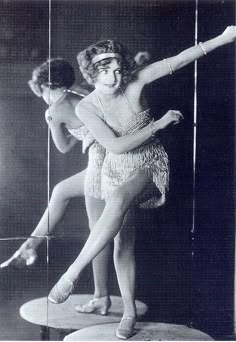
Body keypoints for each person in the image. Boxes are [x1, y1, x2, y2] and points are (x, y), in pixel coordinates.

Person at [48, 26, 236, 339]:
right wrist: (159, 123)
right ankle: (130, 314)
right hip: (115, 168)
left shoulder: (136, 80)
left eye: (119, 69)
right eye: (105, 71)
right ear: (91, 73)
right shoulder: (86, 106)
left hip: (150, 164)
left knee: (120, 197)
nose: (114, 77)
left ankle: (72, 272)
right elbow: (116, 147)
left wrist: (225, 37)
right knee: (123, 242)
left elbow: (178, 60)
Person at [0, 57, 178, 316]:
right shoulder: (84, 91)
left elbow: (63, 147)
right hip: (111, 157)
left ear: (48, 87)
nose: (44, 98)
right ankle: (30, 245)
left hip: (101, 164)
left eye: (43, 92)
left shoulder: (55, 110)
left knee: (100, 233)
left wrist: (54, 124)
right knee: (62, 191)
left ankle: (100, 296)